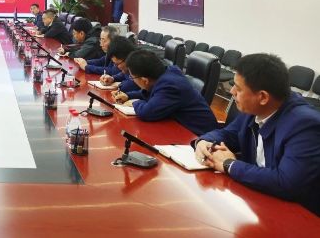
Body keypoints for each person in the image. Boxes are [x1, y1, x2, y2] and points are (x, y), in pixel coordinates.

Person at [194, 54, 320, 215]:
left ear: (263, 97)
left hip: (298, 214)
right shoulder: (256, 109)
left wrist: (229, 164)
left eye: (238, 88)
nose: (231, 91)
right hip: (258, 199)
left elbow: (287, 183)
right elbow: (228, 134)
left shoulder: (305, 125)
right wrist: (204, 142)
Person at [118, 49, 218, 135]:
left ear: (145, 80)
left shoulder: (170, 86)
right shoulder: (167, 72)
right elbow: (153, 93)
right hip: (181, 127)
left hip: (199, 136)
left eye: (132, 77)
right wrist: (128, 95)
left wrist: (135, 102)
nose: (131, 79)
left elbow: (147, 113)